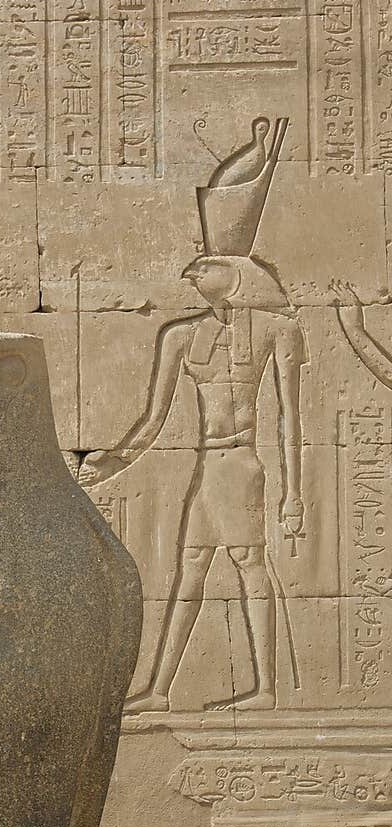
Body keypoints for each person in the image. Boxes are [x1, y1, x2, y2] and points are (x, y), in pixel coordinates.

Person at [82, 254, 307, 711]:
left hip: (243, 466)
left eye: (205, 265)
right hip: (209, 468)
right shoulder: (180, 336)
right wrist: (114, 461)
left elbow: (290, 418)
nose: (194, 274)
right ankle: (161, 691)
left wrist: (294, 493)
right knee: (190, 572)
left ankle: (265, 689)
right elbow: (154, 418)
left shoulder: (274, 329)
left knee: (249, 564)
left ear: (235, 274)